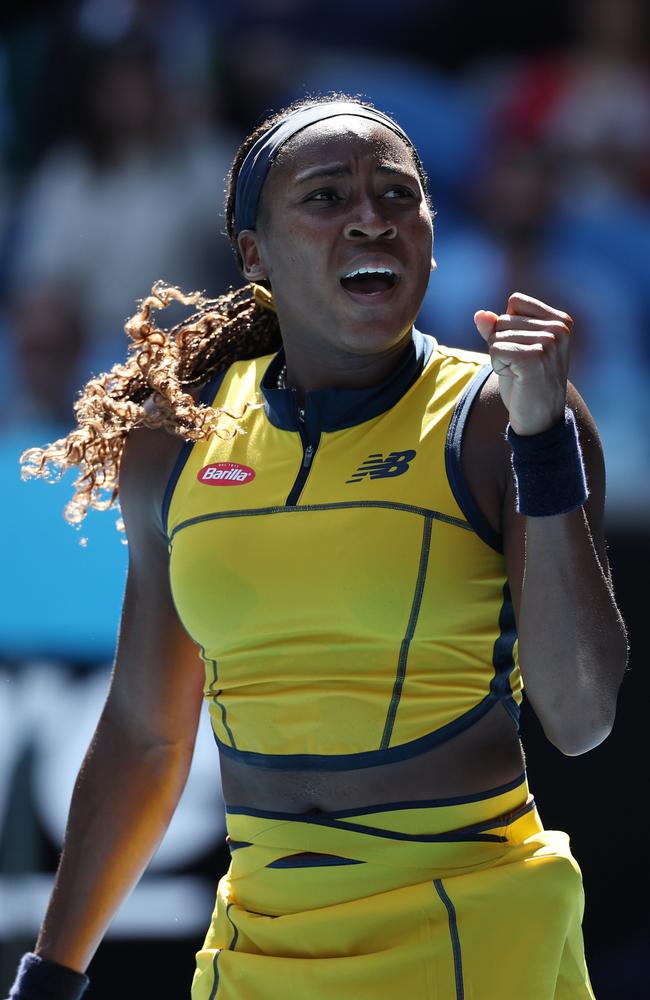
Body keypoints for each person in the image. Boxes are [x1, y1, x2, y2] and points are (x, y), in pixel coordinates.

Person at [9, 95, 627, 1000]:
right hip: (255, 947)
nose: (371, 217)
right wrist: (51, 975)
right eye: (327, 196)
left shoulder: (502, 418)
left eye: (397, 194)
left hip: (472, 933)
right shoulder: (177, 439)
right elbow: (146, 734)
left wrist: (543, 441)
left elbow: (581, 717)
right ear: (254, 253)